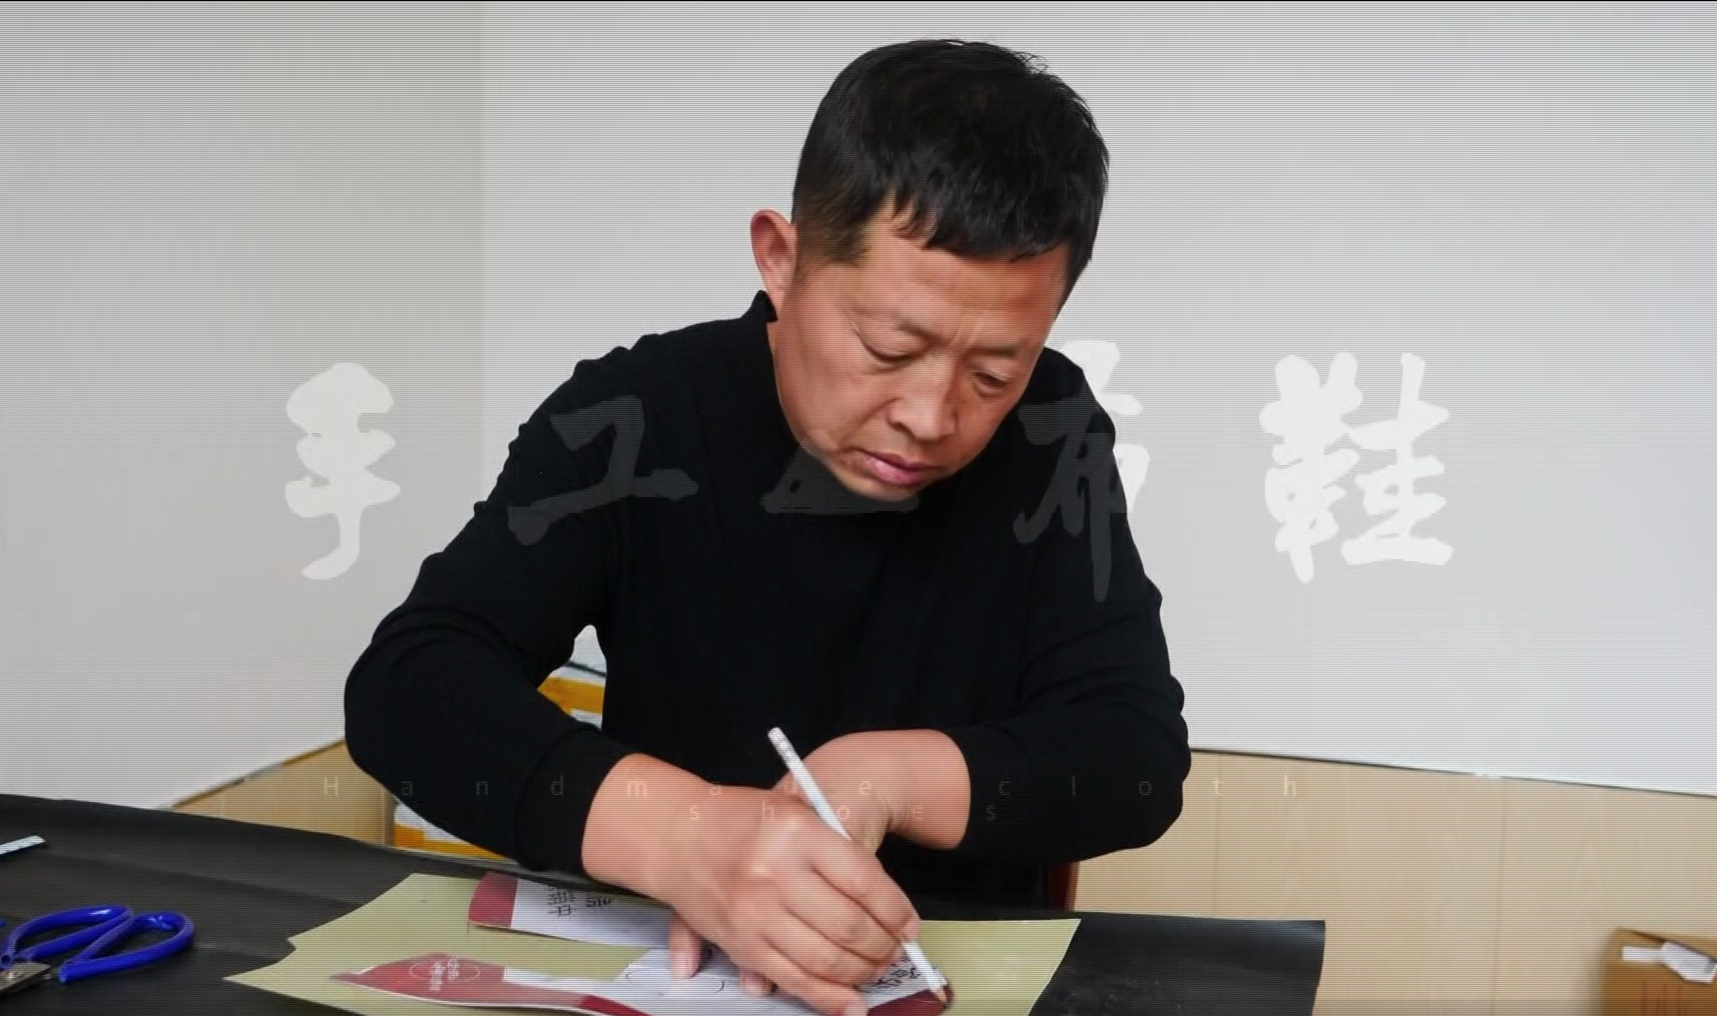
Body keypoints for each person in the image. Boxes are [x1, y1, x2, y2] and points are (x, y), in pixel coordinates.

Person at [344, 37, 1189, 1016]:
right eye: (888, 347)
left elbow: (1134, 755)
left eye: (993, 372)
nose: (931, 414)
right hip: (678, 978)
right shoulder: (637, 419)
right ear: (781, 261)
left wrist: (886, 774)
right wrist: (684, 834)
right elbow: (409, 685)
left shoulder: (1049, 430)